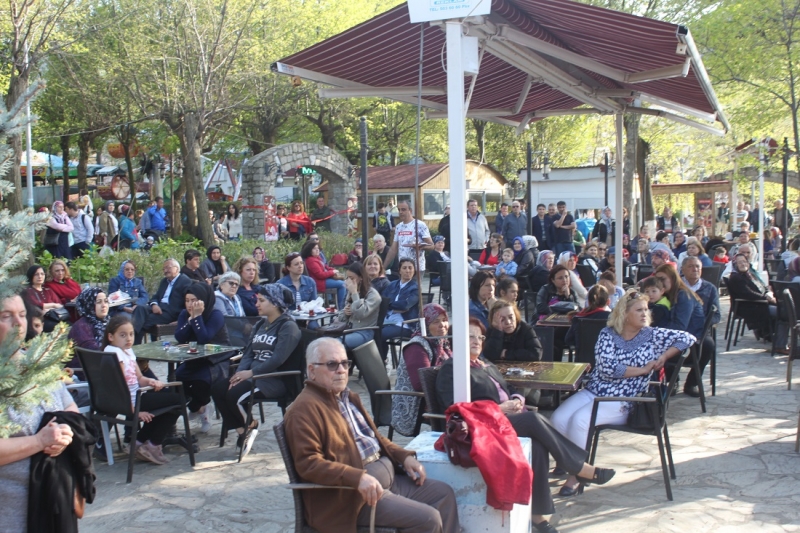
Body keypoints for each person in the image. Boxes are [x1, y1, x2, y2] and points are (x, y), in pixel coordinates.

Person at [437, 319, 613, 532]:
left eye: (480, 337)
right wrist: (500, 408)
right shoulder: (452, 369)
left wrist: (518, 398)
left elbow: (508, 386)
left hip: (505, 419)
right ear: (457, 341)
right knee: (533, 420)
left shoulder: (485, 363)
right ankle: (578, 467)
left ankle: (538, 517)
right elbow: (454, 408)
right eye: (470, 337)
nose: (477, 341)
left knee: (537, 445)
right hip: (483, 427)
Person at [284, 337, 459, 533]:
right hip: (353, 497)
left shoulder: (348, 397)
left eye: (345, 363)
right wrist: (357, 478)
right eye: (332, 364)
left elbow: (376, 439)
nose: (341, 370)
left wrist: (404, 456)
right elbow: (309, 464)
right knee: (428, 519)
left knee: (443, 494)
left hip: (387, 480)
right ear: (312, 370)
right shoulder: (303, 410)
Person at [550, 291, 694, 497]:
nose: (645, 314)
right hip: (595, 390)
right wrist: (643, 370)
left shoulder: (652, 335)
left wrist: (663, 356)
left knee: (581, 421)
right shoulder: (608, 334)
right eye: (639, 310)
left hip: (626, 398)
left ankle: (577, 475)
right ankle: (572, 461)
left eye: (646, 309)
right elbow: (608, 368)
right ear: (625, 314)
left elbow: (687, 338)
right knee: (558, 419)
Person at [0, 294, 82, 533]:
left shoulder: (38, 363)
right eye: (6, 316)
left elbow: (69, 407)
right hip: (11, 513)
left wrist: (65, 433)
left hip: (55, 500)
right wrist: (39, 441)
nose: (18, 323)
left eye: (22, 315)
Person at [212, 285, 302, 454]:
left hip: (274, 379)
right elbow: (248, 353)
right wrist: (240, 374)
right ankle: (245, 428)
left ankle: (247, 427)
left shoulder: (288, 327)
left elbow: (278, 359)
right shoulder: (261, 323)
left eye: (261, 300)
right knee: (218, 389)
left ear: (275, 303)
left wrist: (251, 373)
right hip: (253, 376)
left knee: (233, 396)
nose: (256, 304)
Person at [103, 315, 179, 465]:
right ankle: (151, 444)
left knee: (170, 404)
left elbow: (139, 377)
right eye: (123, 335)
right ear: (110, 336)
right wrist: (135, 412)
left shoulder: (127, 351)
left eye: (131, 334)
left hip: (137, 397)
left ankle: (139, 443)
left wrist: (151, 381)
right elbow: (118, 388)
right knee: (180, 401)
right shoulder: (114, 353)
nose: (128, 339)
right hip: (130, 402)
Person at [174, 283, 231, 433]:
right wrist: (191, 319)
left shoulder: (215, 314)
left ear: (204, 300)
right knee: (177, 377)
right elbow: (179, 336)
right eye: (187, 300)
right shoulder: (184, 314)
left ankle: (200, 407)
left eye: (194, 300)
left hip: (217, 360)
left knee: (202, 380)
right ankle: (198, 407)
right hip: (195, 359)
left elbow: (204, 337)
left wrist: (197, 318)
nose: (190, 304)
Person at [394, 304, 452, 437]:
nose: (442, 325)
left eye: (444, 320)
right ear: (425, 325)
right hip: (416, 404)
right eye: (436, 322)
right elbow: (422, 384)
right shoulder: (417, 346)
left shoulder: (442, 342)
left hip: (437, 394)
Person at [728, 253, 785, 348]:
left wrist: (768, 293)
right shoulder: (736, 278)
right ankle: (780, 343)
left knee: (783, 307)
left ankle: (771, 335)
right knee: (784, 313)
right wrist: (767, 298)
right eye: (739, 263)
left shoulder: (750, 274)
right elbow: (748, 294)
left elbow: (763, 286)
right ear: (735, 265)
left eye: (744, 261)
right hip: (751, 307)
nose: (743, 264)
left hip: (760, 303)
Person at [132, 259, 192, 342]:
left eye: (168, 268)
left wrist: (183, 318)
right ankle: (132, 339)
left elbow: (186, 302)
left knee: (143, 322)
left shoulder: (185, 281)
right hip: (159, 307)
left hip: (171, 312)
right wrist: (154, 305)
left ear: (177, 269)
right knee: (139, 308)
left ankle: (134, 346)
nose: (165, 270)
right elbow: (156, 296)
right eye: (164, 269)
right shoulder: (164, 281)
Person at [379, 259, 420, 361]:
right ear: (399, 270)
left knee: (379, 334)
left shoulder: (415, 288)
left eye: (410, 268)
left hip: (405, 324)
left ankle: (382, 362)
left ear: (414, 270)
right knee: (371, 331)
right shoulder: (392, 284)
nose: (407, 271)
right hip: (387, 320)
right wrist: (393, 306)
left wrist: (389, 305)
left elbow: (405, 306)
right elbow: (382, 301)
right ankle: (378, 361)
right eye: (404, 268)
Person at [383, 200, 434, 273]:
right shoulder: (398, 227)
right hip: (403, 268)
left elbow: (432, 246)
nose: (400, 212)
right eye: (399, 210)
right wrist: (383, 268)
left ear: (410, 210)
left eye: (403, 209)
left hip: (416, 268)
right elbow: (393, 250)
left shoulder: (419, 225)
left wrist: (420, 246)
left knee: (414, 285)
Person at [339, 263, 381, 349]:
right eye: (347, 278)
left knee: (337, 343)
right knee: (323, 341)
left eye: (352, 278)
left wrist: (354, 294)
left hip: (364, 332)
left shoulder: (373, 295)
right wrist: (346, 313)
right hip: (348, 329)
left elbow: (361, 314)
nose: (348, 281)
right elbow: (340, 317)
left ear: (361, 278)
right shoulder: (351, 292)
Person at [67, 287, 111, 362]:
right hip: (86, 370)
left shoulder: (108, 321)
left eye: (106, 301)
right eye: (99, 302)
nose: (104, 305)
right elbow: (93, 353)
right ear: (89, 304)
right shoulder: (81, 326)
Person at [564, 285, 611, 353]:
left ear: (588, 301)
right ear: (608, 301)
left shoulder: (578, 318)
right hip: (605, 359)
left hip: (583, 360)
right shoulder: (611, 318)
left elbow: (568, 340)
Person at [302, 240, 346, 308]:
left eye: (318, 248)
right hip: (319, 282)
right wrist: (332, 272)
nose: (317, 250)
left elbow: (326, 267)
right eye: (314, 248)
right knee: (343, 284)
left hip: (324, 280)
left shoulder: (317, 258)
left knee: (346, 283)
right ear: (309, 250)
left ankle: (342, 305)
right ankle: (341, 308)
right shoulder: (311, 261)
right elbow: (320, 275)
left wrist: (334, 270)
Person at [22, 265, 63, 332]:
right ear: (31, 275)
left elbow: (59, 304)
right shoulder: (28, 291)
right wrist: (53, 305)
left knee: (69, 324)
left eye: (42, 274)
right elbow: (36, 304)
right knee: (56, 327)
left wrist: (48, 309)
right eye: (36, 274)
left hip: (54, 317)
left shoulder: (48, 290)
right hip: (39, 320)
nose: (40, 276)